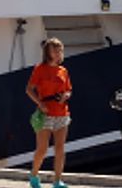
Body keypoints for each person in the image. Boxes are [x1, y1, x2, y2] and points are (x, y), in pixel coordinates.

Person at [26, 38, 72, 188]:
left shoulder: (63, 71)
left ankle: (57, 181)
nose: (58, 53)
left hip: (62, 113)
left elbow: (68, 90)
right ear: (48, 52)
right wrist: (40, 103)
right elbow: (29, 89)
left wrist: (66, 96)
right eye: (55, 50)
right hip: (45, 113)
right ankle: (34, 175)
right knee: (42, 149)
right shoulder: (40, 69)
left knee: (60, 149)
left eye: (60, 50)